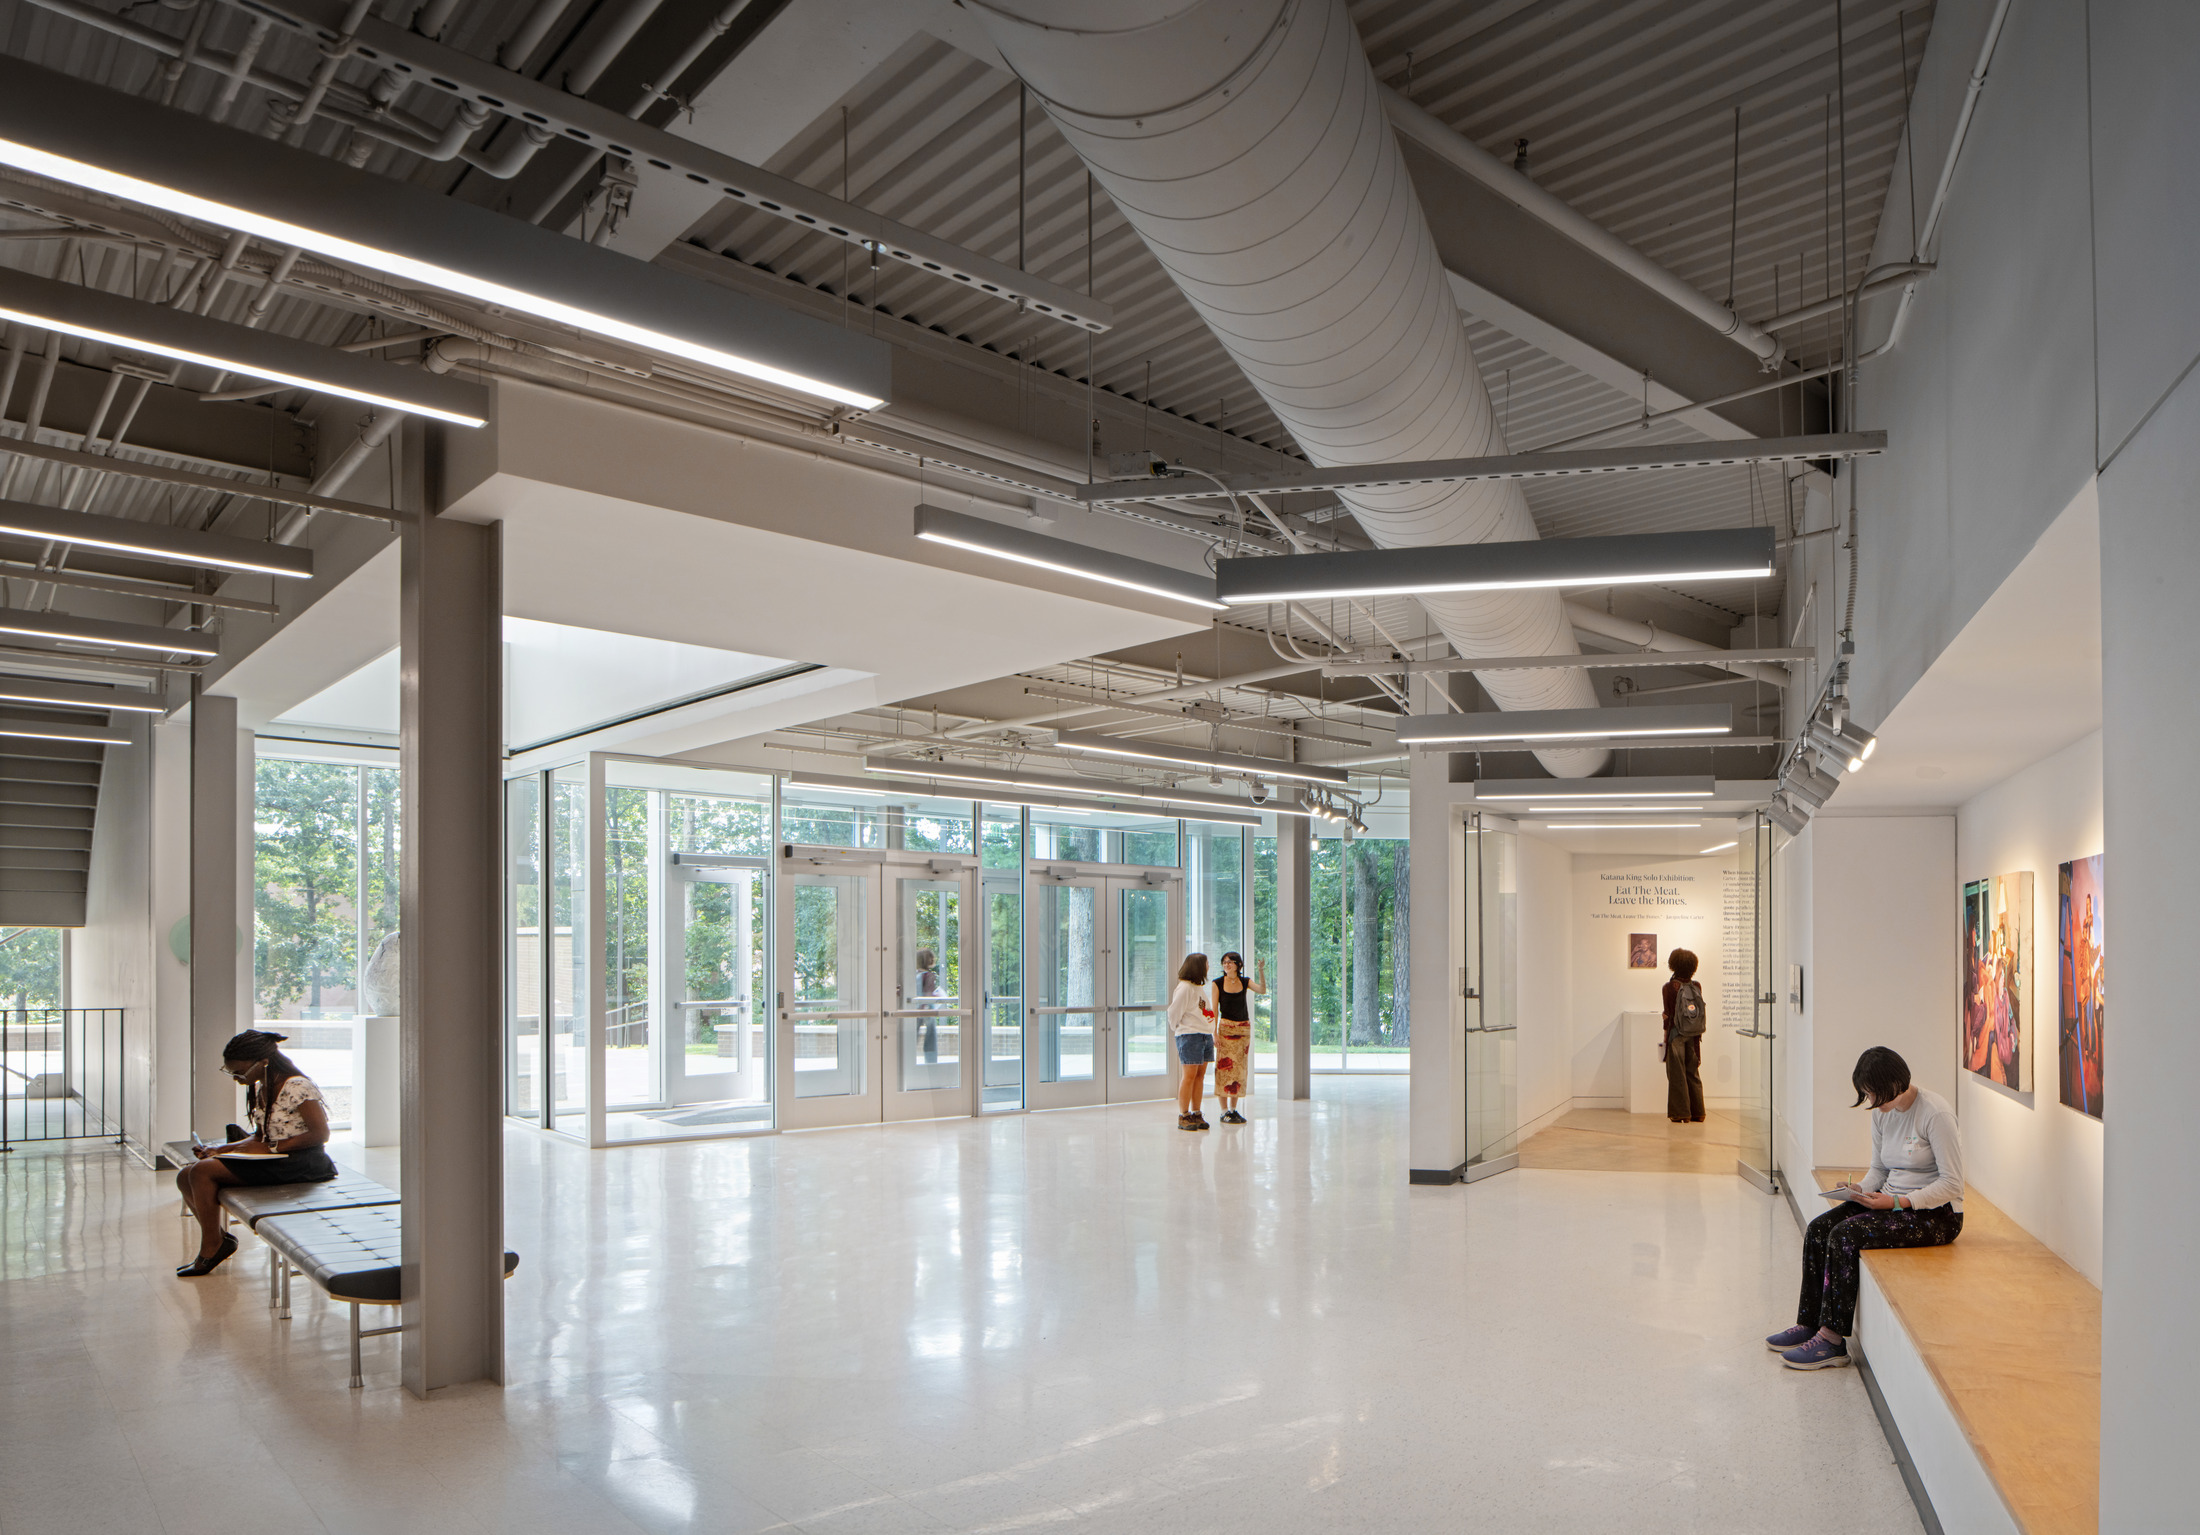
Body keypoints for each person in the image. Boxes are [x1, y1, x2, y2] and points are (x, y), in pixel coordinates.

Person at [1768, 1047, 1964, 1369]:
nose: (1871, 1100)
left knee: (1844, 1235)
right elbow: (1879, 1169)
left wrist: (1899, 1202)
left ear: (1895, 1083)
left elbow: (1953, 1184)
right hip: (1890, 1201)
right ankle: (1810, 1322)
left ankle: (1832, 1341)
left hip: (1936, 1215)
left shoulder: (1935, 1114)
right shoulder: (1881, 1113)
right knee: (1818, 1229)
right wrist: (1859, 1189)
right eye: (1867, 1093)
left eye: (1873, 1093)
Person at [174, 1029, 336, 1278]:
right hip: (276, 1159)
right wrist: (221, 1149)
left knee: (202, 1172)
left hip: (303, 1162)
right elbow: (260, 1135)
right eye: (231, 1072)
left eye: (239, 1072)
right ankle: (218, 1239)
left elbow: (320, 1134)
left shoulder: (297, 1086)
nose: (236, 1078)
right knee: (185, 1175)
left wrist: (272, 1148)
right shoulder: (264, 1088)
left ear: (263, 1062)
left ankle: (212, 1246)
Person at [1210, 951, 1265, 1125]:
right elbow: (1214, 1010)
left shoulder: (1245, 981)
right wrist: (1214, 1033)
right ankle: (1223, 1111)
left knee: (1239, 1069)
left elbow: (1262, 990)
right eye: (1224, 962)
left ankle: (1233, 1110)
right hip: (1225, 1029)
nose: (1227, 965)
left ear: (1238, 965)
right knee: (1224, 1068)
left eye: (1230, 962)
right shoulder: (1217, 983)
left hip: (1243, 1030)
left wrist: (1261, 970)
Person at [1169, 953, 1214, 1132]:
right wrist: (1178, 1029)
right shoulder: (1185, 987)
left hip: (1204, 1035)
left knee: (1200, 1076)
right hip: (1190, 1036)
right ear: (1198, 967)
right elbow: (1173, 1012)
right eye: (1206, 963)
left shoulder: (1197, 987)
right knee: (1189, 1076)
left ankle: (1196, 1113)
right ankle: (1184, 1115)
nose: (1208, 966)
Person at [1661, 948, 1707, 1124]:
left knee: (1677, 1074)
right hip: (1694, 1034)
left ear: (1673, 965)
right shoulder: (1697, 986)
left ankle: (1681, 1113)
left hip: (1676, 1034)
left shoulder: (1669, 987)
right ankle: (1698, 1113)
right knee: (1693, 1072)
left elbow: (1668, 1015)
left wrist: (1665, 1036)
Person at [913, 947, 942, 1065]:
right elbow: (929, 994)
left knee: (913, 1035)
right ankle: (931, 1062)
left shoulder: (915, 974)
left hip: (915, 1009)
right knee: (930, 1037)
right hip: (927, 1009)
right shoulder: (929, 975)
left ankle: (908, 1058)